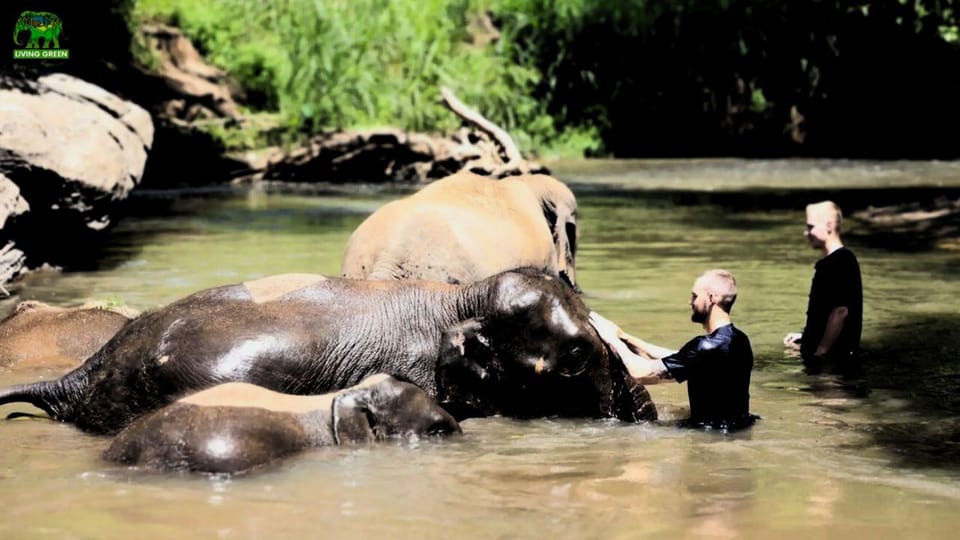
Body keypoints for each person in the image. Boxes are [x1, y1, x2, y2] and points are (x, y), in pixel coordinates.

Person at [589, 269, 758, 432]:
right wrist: (625, 337)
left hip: (707, 436)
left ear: (711, 298)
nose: (690, 302)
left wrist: (611, 339)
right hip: (739, 428)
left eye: (695, 296)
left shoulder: (704, 348)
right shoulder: (740, 340)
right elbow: (681, 358)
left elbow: (640, 374)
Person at [783, 201, 863, 370]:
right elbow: (824, 312)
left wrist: (821, 351)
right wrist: (806, 337)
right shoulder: (832, 262)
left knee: (829, 397)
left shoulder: (841, 261)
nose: (807, 233)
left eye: (811, 226)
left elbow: (840, 311)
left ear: (829, 225)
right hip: (828, 357)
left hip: (834, 360)